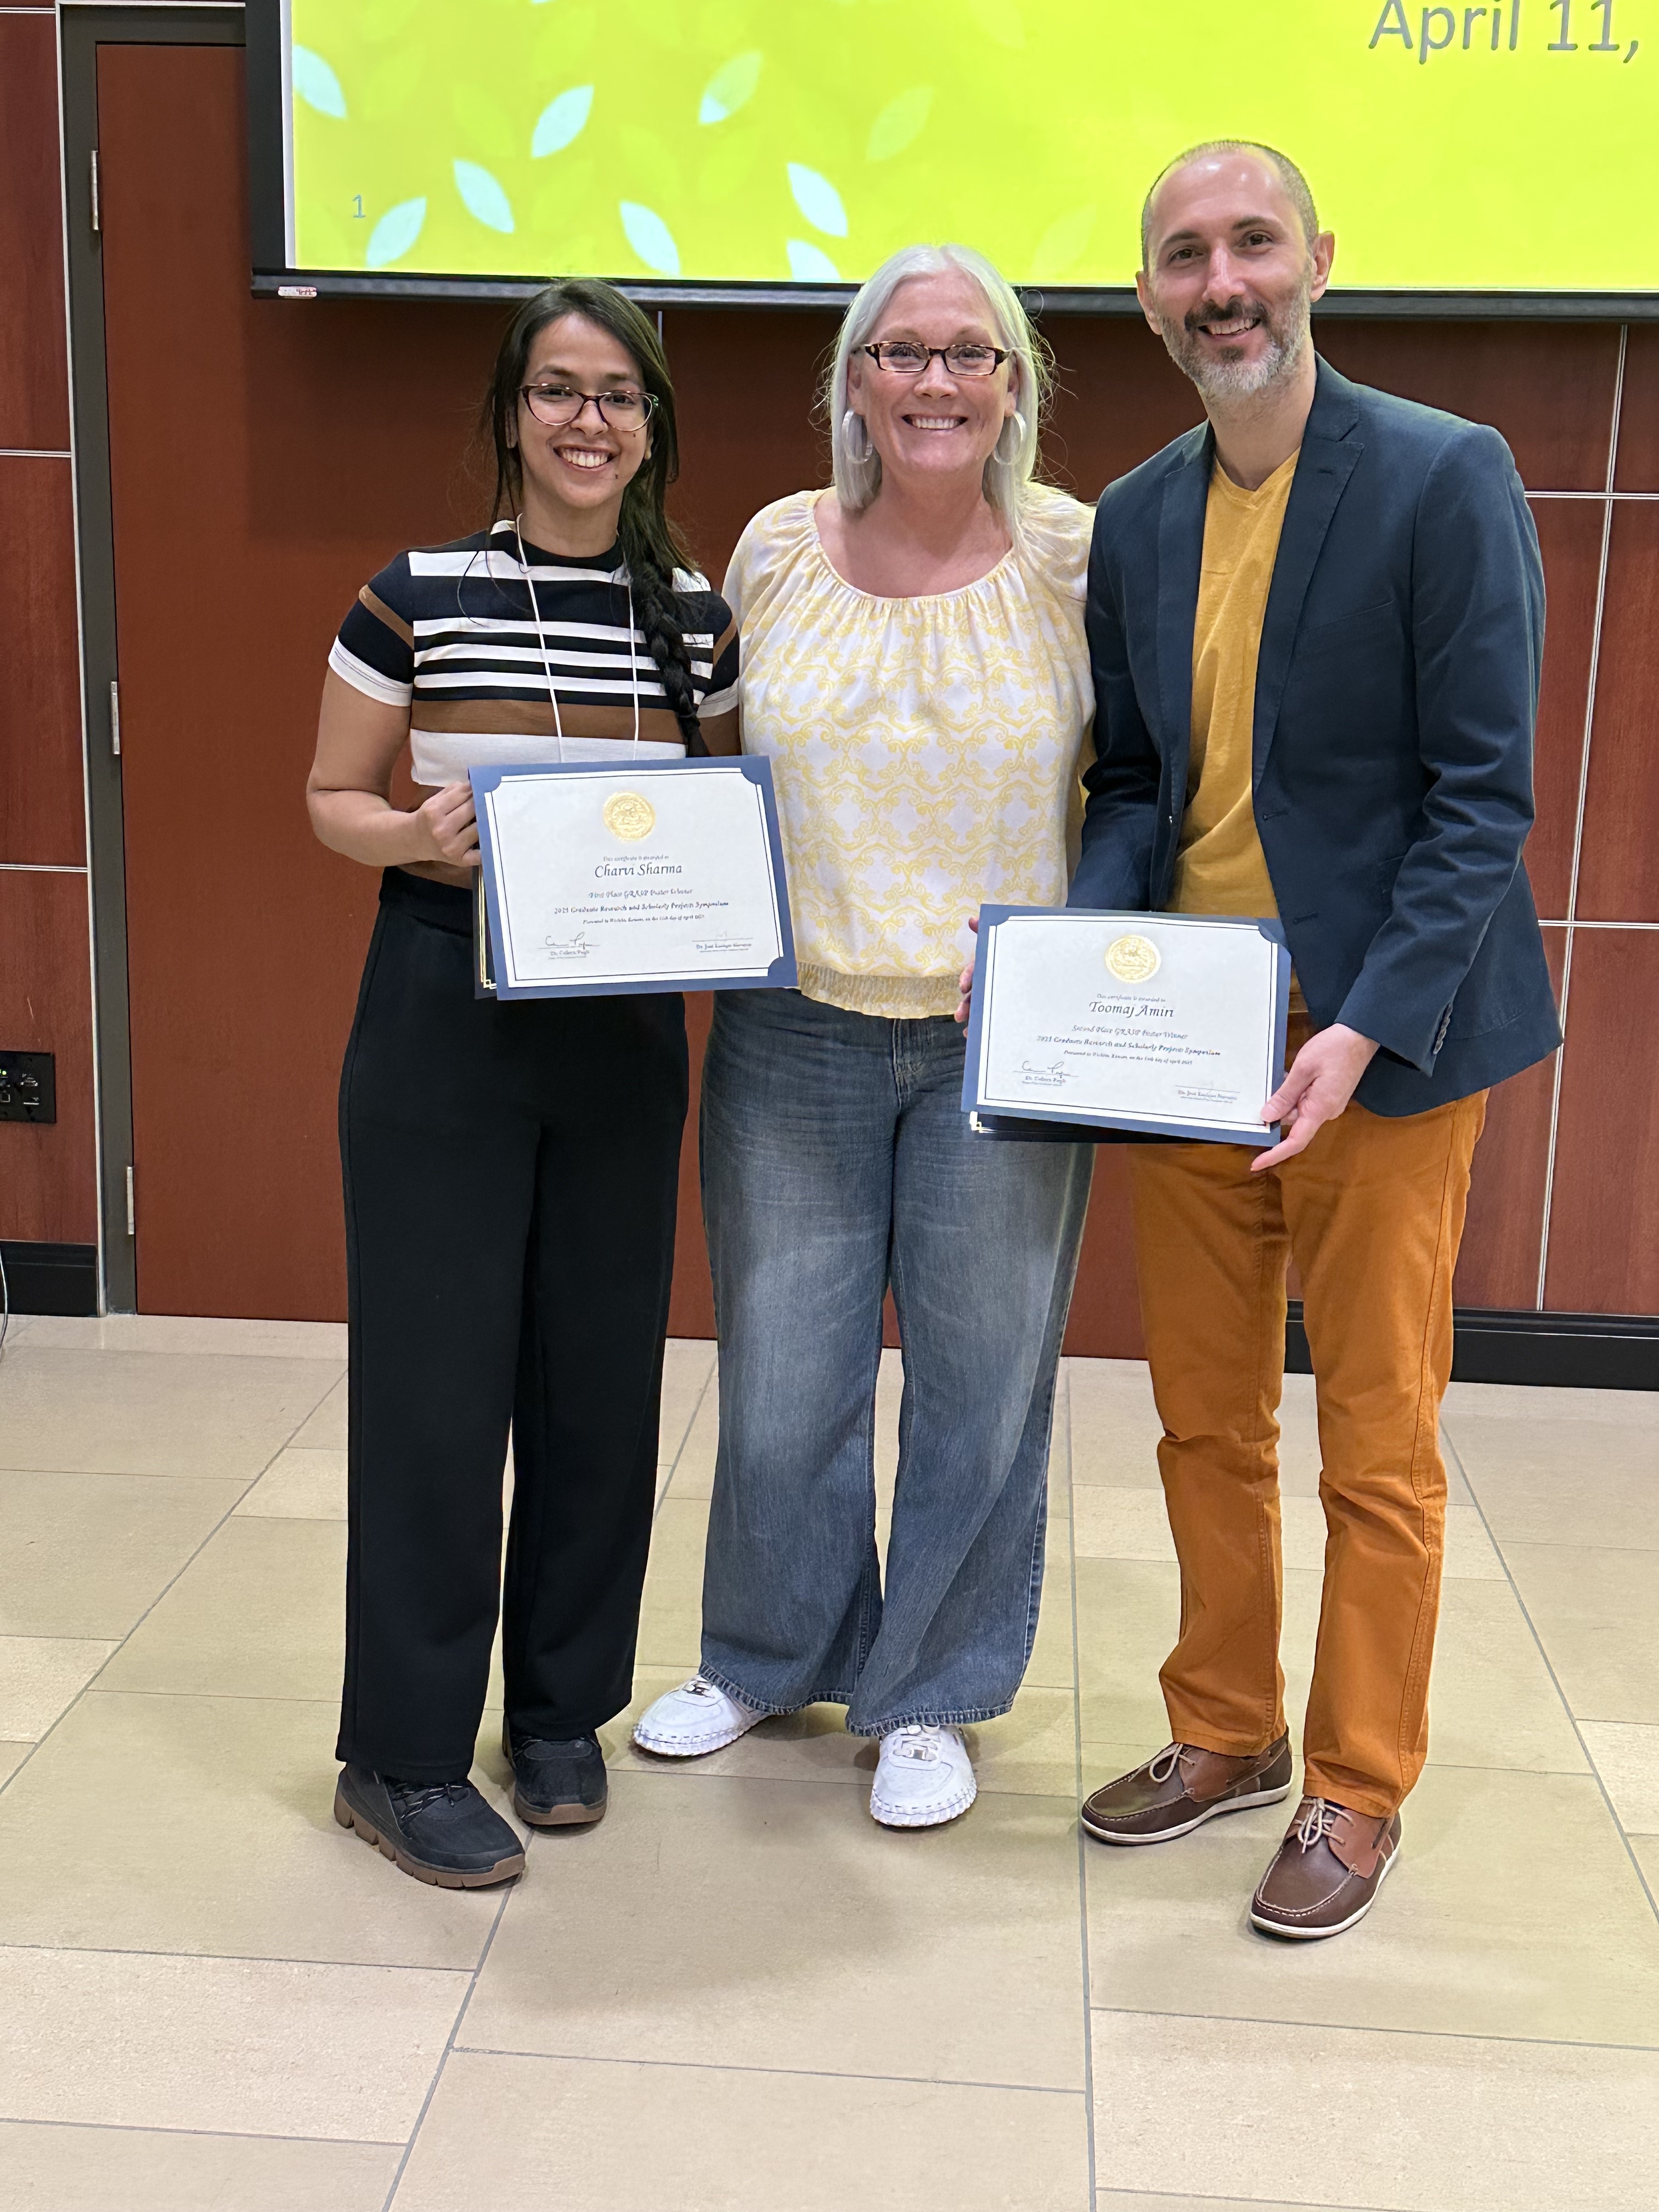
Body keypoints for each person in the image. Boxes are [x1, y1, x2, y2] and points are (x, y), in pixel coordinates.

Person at [1065, 143, 1558, 1934]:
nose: (1223, 282)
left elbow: (1480, 801)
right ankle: (1223, 1732)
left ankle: (1357, 1784)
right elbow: (1132, 780)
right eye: (1185, 255)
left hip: (1385, 1051)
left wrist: (1356, 1029)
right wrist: (1092, 960)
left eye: (1251, 243)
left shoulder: (1443, 475)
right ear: (1149, 301)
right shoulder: (1131, 515)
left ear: (1319, 263)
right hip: (1191, 1040)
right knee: (1203, 1424)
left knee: (1376, 1439)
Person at [631, 244, 1097, 1828]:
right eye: (901, 352)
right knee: (782, 1376)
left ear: (1014, 387)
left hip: (995, 1052)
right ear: (851, 383)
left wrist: (1075, 952)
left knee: (981, 1385)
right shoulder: (774, 547)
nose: (935, 381)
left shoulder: (1076, 558)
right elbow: (706, 770)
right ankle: (772, 1653)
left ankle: (931, 1695)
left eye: (971, 352)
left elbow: (1146, 780)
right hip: (792, 1031)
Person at [306, 280, 738, 1887]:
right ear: (509, 414)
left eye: (619, 395)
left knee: (597, 1379)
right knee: (434, 1387)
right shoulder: (411, 595)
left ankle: (559, 1712)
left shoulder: (690, 614)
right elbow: (330, 793)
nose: (587, 422)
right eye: (558, 390)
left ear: (653, 424)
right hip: (443, 1011)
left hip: (622, 1030)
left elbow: (724, 816)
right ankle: (400, 1755)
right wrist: (411, 834)